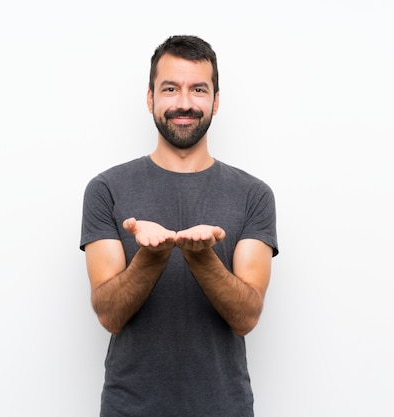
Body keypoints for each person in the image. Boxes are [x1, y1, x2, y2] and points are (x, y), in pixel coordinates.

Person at [80, 34, 279, 417]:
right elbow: (109, 315)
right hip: (130, 409)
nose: (184, 103)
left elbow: (246, 317)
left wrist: (202, 259)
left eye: (198, 89)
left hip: (224, 408)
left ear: (216, 101)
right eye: (170, 88)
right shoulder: (106, 190)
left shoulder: (253, 195)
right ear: (150, 98)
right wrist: (150, 259)